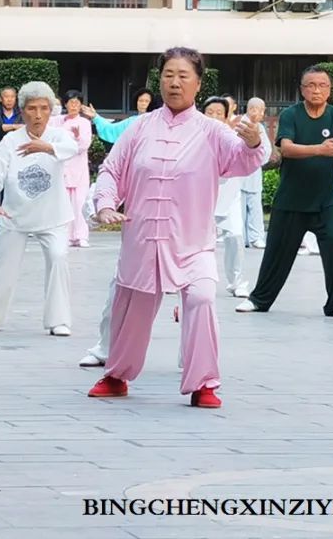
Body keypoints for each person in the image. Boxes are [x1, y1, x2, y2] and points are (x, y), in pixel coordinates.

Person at [87, 48, 266, 408]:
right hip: (141, 238)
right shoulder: (140, 128)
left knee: (201, 298)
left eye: (183, 76)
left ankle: (203, 384)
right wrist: (105, 204)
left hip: (192, 241)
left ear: (198, 84)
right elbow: (111, 170)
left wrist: (254, 141)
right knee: (132, 306)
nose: (174, 82)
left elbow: (245, 159)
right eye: (168, 74)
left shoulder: (213, 131)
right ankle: (117, 374)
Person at [237, 67, 333, 317]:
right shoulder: (291, 115)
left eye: (322, 85)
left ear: (329, 90)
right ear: (302, 89)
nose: (316, 90)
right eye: (311, 85)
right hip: (291, 200)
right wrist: (320, 149)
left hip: (325, 201)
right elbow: (286, 149)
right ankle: (259, 299)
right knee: (276, 253)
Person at [0, 81, 77, 335]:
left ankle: (59, 320)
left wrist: (47, 147)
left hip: (53, 216)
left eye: (43, 108)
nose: (38, 114)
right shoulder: (10, 141)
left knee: (58, 257)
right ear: (22, 110)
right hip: (13, 215)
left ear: (51, 110)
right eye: (31, 108)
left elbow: (73, 148)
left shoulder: (59, 136)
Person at [202, 96, 250, 298]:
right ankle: (187, 279)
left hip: (229, 196)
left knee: (235, 237)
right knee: (197, 243)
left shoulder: (234, 136)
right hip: (201, 198)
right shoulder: (194, 136)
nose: (214, 117)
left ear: (226, 116)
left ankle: (237, 282)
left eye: (219, 114)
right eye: (209, 113)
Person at [51, 89, 93, 248]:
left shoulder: (84, 122)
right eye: (70, 102)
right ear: (65, 104)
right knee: (64, 203)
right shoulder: (58, 121)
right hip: (62, 166)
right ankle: (66, 236)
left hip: (79, 168)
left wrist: (77, 136)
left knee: (79, 202)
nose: (74, 106)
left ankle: (81, 236)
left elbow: (84, 145)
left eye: (77, 102)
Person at [240, 97, 271, 249]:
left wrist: (258, 158)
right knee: (239, 208)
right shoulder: (240, 125)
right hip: (239, 173)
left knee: (255, 208)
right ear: (251, 109)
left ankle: (256, 237)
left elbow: (267, 150)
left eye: (262, 111)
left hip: (254, 172)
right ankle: (242, 237)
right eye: (259, 110)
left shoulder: (260, 127)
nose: (261, 114)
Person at [81, 89, 155, 145]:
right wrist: (95, 117)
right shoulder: (131, 121)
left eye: (146, 101)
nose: (143, 104)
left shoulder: (155, 121)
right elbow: (112, 129)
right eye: (141, 101)